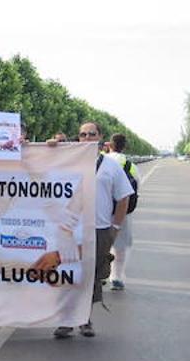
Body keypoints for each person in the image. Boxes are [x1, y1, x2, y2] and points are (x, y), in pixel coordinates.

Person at [54, 121, 133, 339]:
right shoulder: (67, 163)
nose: (86, 138)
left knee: (91, 277)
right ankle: (67, 321)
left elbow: (123, 198)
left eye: (91, 134)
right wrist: (49, 147)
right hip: (70, 231)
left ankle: (84, 319)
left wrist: (115, 228)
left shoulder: (111, 166)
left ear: (99, 137)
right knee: (69, 274)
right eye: (82, 134)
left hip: (99, 230)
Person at [105, 133, 138, 291]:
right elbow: (136, 188)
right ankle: (117, 277)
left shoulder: (103, 160)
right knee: (120, 246)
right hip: (123, 210)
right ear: (124, 146)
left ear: (109, 145)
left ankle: (100, 275)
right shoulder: (130, 165)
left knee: (99, 243)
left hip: (102, 209)